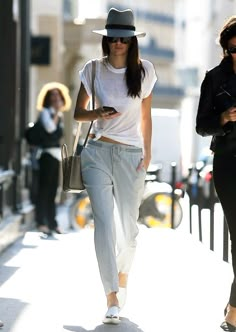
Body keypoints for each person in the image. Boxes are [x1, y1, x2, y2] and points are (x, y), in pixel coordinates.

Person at [74, 7, 157, 324]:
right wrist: (99, 113)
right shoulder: (93, 70)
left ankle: (122, 275)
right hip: (96, 153)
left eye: (124, 38)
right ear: (106, 40)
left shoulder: (145, 71)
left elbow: (146, 117)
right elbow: (78, 114)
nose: (118, 43)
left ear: (132, 40)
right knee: (105, 227)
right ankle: (111, 295)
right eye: (113, 38)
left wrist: (146, 154)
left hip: (130, 157)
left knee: (129, 230)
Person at [196, 16, 236, 332]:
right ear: (226, 49)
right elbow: (201, 125)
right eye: (233, 49)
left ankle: (233, 305)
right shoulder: (214, 79)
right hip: (228, 162)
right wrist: (222, 118)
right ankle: (234, 311)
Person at [35, 82, 71, 236]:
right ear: (48, 98)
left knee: (52, 191)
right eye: (53, 96)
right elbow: (50, 128)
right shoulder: (46, 112)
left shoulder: (59, 115)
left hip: (56, 156)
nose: (56, 98)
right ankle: (41, 223)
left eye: (58, 95)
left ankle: (52, 223)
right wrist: (56, 113)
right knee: (44, 191)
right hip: (46, 155)